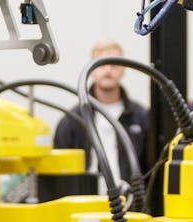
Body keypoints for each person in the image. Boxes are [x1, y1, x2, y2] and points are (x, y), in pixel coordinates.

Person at [53, 40, 149, 195]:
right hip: (84, 208)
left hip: (132, 207)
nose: (108, 70)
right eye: (102, 64)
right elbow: (58, 171)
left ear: (123, 70)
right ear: (91, 70)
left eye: (114, 64)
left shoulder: (141, 118)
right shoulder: (72, 120)